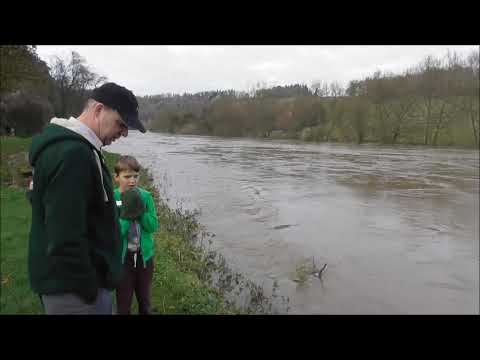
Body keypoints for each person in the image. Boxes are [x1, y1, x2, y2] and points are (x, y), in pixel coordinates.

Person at [28, 82, 146, 314]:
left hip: (73, 287)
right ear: (99, 110)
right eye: (121, 124)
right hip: (74, 292)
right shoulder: (74, 154)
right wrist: (89, 288)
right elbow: (64, 239)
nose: (124, 133)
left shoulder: (78, 149)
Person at [113, 156, 158, 315]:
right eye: (127, 176)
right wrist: (126, 215)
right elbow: (114, 234)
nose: (132, 180)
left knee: (145, 301)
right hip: (123, 259)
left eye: (135, 176)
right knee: (123, 303)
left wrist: (140, 213)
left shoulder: (145, 196)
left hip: (144, 258)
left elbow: (153, 226)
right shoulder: (114, 198)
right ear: (117, 177)